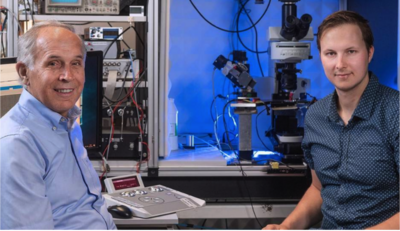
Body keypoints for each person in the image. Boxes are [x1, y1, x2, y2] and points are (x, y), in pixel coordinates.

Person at [263, 11, 400, 230]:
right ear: (320, 57)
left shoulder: (395, 112)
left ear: (369, 53)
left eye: (351, 51)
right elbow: (319, 189)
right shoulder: (316, 116)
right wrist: (287, 227)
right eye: (330, 53)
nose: (340, 64)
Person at [0, 21, 117, 231]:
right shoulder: (17, 144)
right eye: (53, 63)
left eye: (75, 63)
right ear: (24, 72)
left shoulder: (67, 123)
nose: (67, 76)